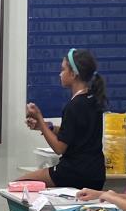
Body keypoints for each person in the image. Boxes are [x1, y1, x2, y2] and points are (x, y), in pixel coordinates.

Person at [18, 49, 107, 190]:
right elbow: (74, 134)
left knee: (19, 184)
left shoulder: (73, 106)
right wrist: (45, 127)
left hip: (73, 172)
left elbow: (59, 148)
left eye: (63, 69)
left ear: (73, 74)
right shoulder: (93, 100)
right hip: (96, 174)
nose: (60, 74)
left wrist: (39, 119)